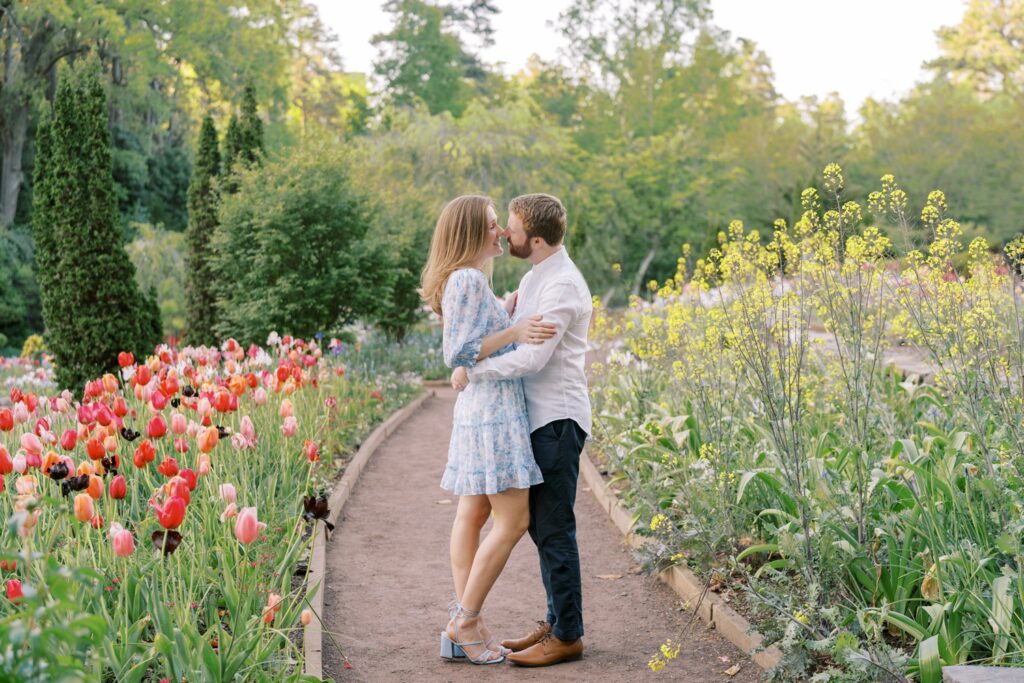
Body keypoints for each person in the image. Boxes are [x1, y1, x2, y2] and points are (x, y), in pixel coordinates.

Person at [452, 193, 593, 667]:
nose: (504, 234)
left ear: (533, 239)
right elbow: (503, 331)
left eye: (509, 227)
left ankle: (568, 634)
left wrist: (473, 371)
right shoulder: (535, 277)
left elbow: (533, 357)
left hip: (557, 419)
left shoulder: (563, 288)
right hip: (533, 421)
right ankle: (555, 622)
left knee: (554, 529)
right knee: (541, 531)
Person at [419, 194, 556, 665]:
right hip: (494, 412)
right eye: (494, 224)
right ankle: (465, 620)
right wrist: (515, 332)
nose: (501, 232)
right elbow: (458, 352)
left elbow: (475, 335)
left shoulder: (471, 282)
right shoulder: (467, 279)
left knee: (473, 515)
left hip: (483, 407)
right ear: (471, 233)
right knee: (513, 520)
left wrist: (509, 308)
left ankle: (465, 624)